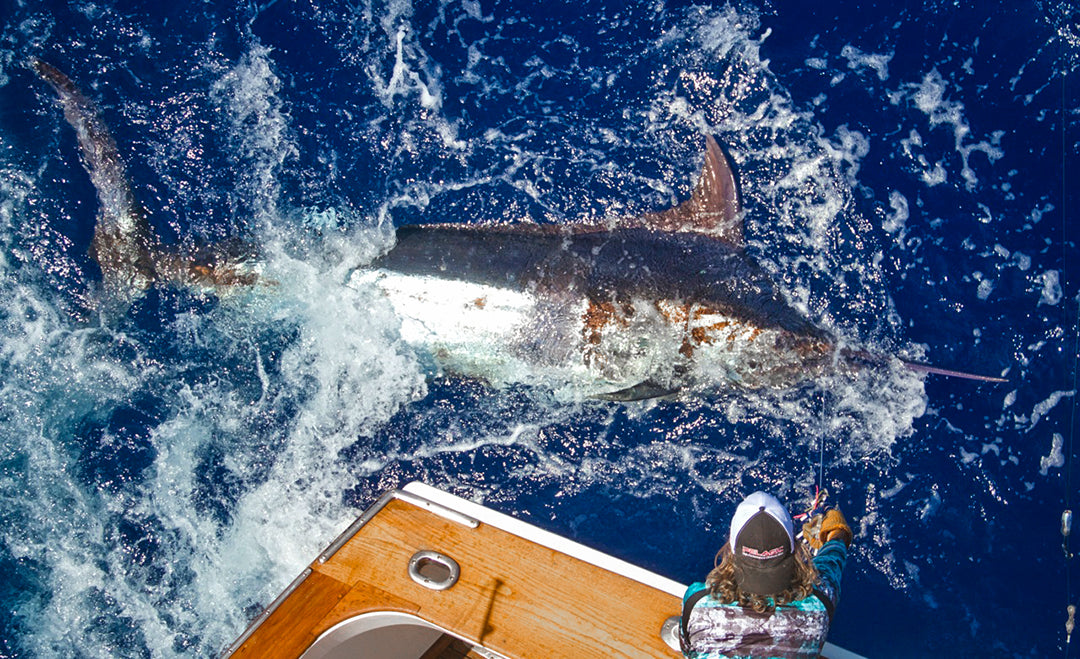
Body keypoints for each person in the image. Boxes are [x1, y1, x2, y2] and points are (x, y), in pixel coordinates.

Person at [680, 491, 852, 658]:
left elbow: (687, 650)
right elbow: (832, 559)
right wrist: (836, 531)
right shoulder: (819, 603)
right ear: (794, 547)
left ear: (732, 549)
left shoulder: (697, 602)